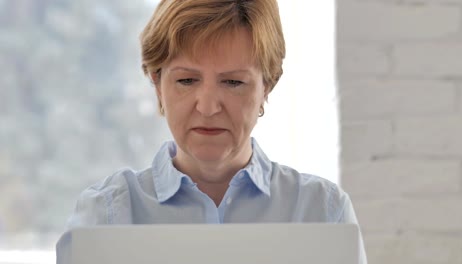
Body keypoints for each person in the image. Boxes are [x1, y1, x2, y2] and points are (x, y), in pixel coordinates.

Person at [59, 0, 367, 263]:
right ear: (157, 84)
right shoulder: (106, 215)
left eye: (233, 82)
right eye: (186, 81)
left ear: (266, 87)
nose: (207, 107)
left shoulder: (323, 211)